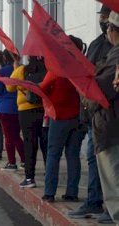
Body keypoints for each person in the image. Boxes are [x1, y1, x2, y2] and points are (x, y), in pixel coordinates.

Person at [68, 5, 113, 221]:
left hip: (107, 114)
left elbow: (103, 81)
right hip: (92, 114)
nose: (103, 21)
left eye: (107, 18)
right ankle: (94, 201)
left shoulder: (114, 51)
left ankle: (110, 208)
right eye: (101, 17)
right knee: (95, 160)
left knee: (110, 164)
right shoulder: (97, 43)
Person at [82, 11, 119, 225]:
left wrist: (86, 97)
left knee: (113, 184)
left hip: (111, 127)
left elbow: (99, 90)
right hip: (108, 126)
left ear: (113, 30)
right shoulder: (112, 53)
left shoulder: (116, 55)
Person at [40, 35, 86, 203]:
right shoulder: (83, 67)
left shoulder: (57, 68)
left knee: (54, 155)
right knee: (73, 155)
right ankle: (72, 192)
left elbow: (43, 88)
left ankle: (49, 192)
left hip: (59, 116)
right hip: (79, 118)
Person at [6, 53, 47, 188]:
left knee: (30, 144)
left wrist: (15, 69)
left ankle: (30, 178)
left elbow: (9, 87)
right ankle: (50, 174)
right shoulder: (47, 69)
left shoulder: (21, 70)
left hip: (25, 111)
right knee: (45, 144)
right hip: (44, 110)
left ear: (29, 58)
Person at [0, 50, 25, 171]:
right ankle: (24, 160)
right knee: (16, 135)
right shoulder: (21, 70)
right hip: (19, 106)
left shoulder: (2, 72)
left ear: (4, 58)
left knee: (9, 136)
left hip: (5, 107)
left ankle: (12, 162)